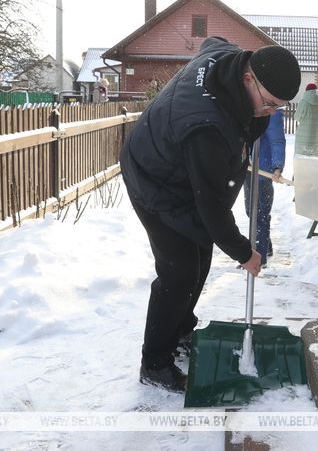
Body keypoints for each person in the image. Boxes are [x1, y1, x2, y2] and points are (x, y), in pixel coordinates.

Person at [120, 37, 301, 393]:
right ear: (247, 79)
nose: (270, 113)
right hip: (154, 178)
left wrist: (256, 121)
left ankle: (180, 331)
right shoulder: (207, 126)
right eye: (268, 104)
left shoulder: (228, 61)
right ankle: (154, 363)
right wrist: (245, 252)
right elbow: (211, 208)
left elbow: (211, 42)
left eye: (278, 108)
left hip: (182, 170)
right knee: (180, 270)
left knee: (200, 254)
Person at [243, 109, 286, 266]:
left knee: (260, 214)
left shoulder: (272, 113)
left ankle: (258, 255)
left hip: (263, 171)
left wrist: (277, 167)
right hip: (247, 169)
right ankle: (266, 246)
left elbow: (277, 141)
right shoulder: (248, 110)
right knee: (250, 211)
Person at [294, 82, 318, 156]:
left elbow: (297, 117)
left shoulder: (304, 101)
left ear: (306, 91)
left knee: (302, 157)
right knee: (313, 158)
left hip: (303, 136)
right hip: (316, 136)